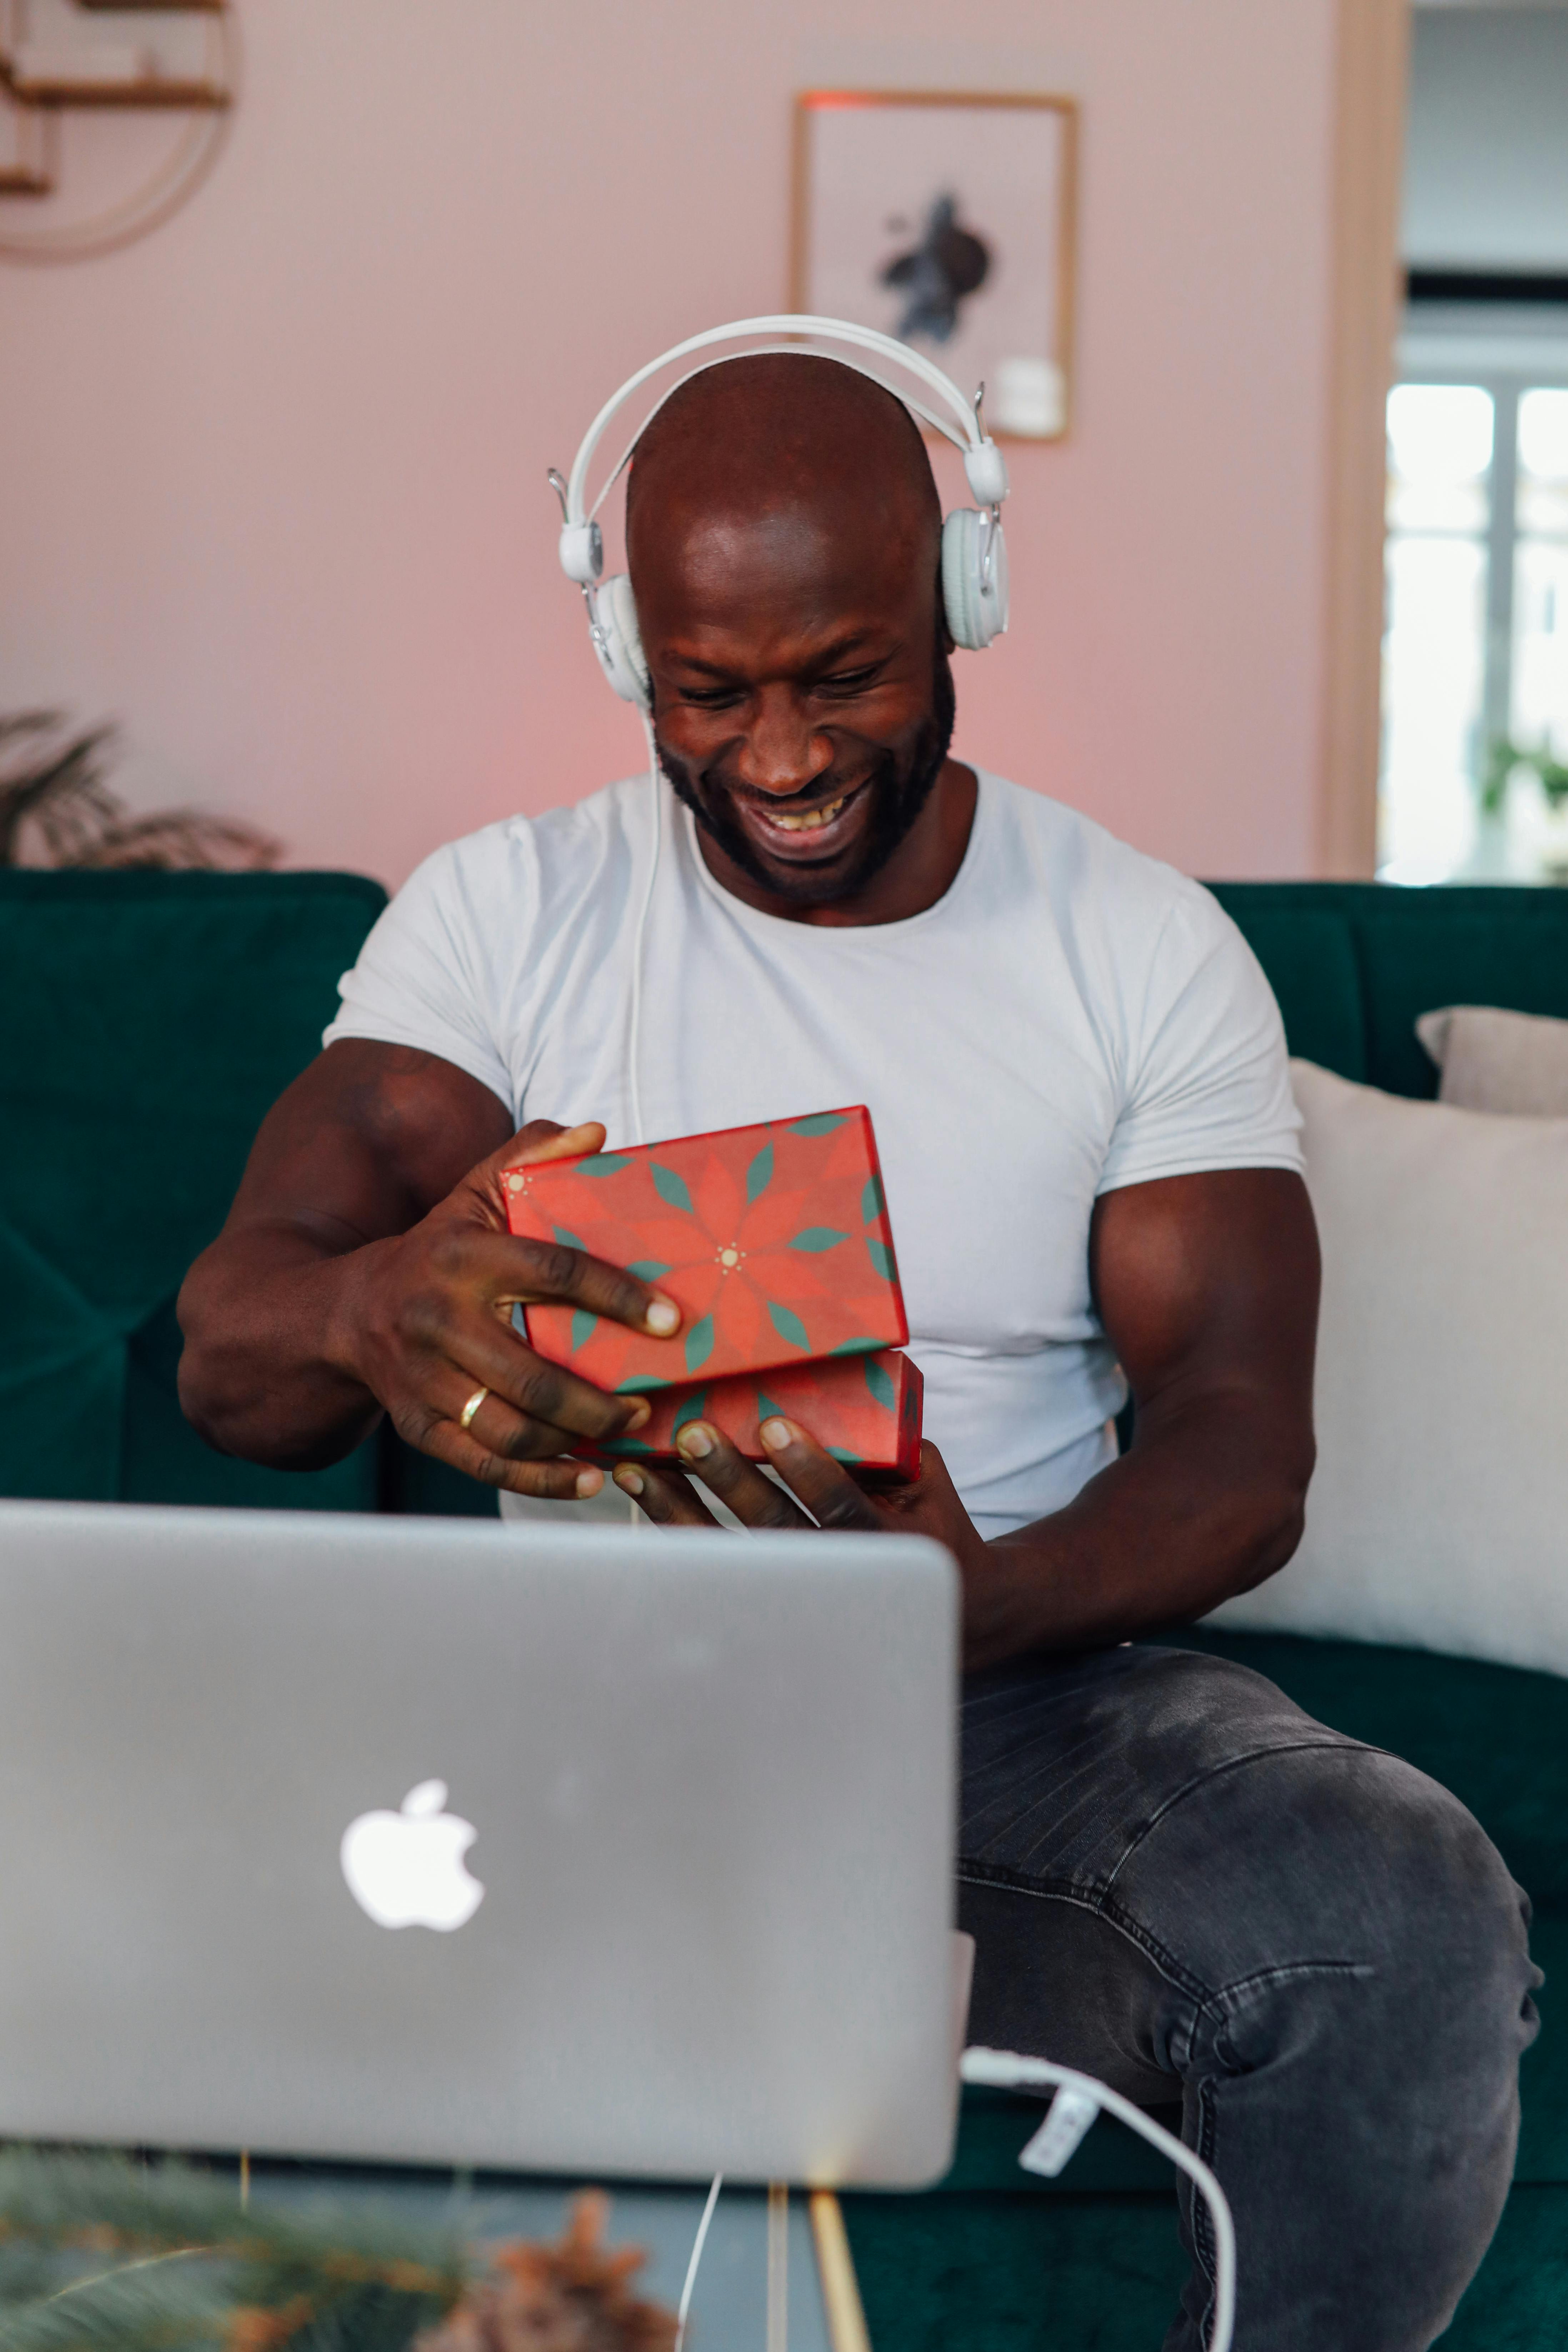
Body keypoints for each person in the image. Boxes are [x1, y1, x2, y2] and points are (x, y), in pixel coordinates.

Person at [178, 350, 1537, 2352]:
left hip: (1012, 1710)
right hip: (571, 1722)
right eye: (708, 692)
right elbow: (233, 1355)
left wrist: (964, 1602)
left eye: (847, 672)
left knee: (1394, 1905)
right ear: (627, 642)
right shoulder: (508, 920)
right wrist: (373, 1312)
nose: (783, 752)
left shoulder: (1135, 947)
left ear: (959, 604)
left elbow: (1239, 1450)